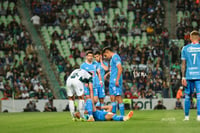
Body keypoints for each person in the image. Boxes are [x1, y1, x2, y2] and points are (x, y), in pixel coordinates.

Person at [181, 30, 200, 121]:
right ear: (199, 38)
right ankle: (199, 116)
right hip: (199, 75)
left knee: (188, 96)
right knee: (199, 96)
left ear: (190, 38)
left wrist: (183, 76)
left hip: (189, 75)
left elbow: (183, 64)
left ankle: (186, 117)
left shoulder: (185, 48)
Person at [103, 47, 125, 116]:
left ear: (107, 52)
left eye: (105, 55)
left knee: (118, 97)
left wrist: (117, 80)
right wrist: (107, 74)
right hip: (112, 81)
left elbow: (120, 68)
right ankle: (114, 115)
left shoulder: (116, 57)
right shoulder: (112, 59)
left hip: (116, 80)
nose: (105, 57)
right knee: (112, 97)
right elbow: (114, 69)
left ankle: (122, 116)